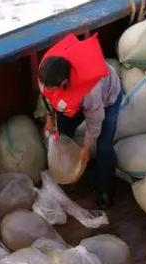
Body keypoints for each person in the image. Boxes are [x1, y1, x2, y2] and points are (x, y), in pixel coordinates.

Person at [38, 33, 122, 209]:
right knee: (59, 132)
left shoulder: (91, 91)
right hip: (74, 104)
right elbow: (46, 98)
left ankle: (105, 190)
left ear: (64, 84)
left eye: (53, 89)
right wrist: (50, 119)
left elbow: (95, 122)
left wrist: (86, 148)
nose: (48, 90)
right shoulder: (46, 76)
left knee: (103, 147)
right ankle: (67, 172)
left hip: (107, 101)